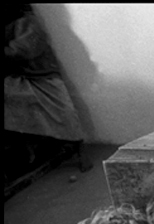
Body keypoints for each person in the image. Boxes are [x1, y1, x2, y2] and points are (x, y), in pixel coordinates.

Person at [5, 4, 91, 180]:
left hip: (44, 77)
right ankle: (30, 148)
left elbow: (24, 50)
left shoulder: (28, 22)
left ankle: (80, 149)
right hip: (21, 77)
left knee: (64, 114)